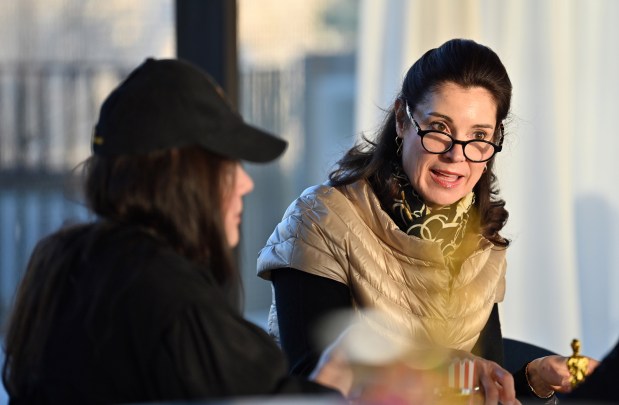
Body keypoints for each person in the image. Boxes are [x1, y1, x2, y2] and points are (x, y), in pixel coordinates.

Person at [257, 38, 598, 402]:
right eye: (439, 128)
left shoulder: (480, 239)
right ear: (402, 120)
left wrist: (535, 379)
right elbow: (314, 385)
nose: (456, 156)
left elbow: (478, 391)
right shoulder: (319, 221)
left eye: (479, 136)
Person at [1, 58, 355, 404]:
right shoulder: (166, 294)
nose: (245, 183)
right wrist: (348, 366)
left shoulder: (62, 266)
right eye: (228, 164)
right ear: (184, 174)